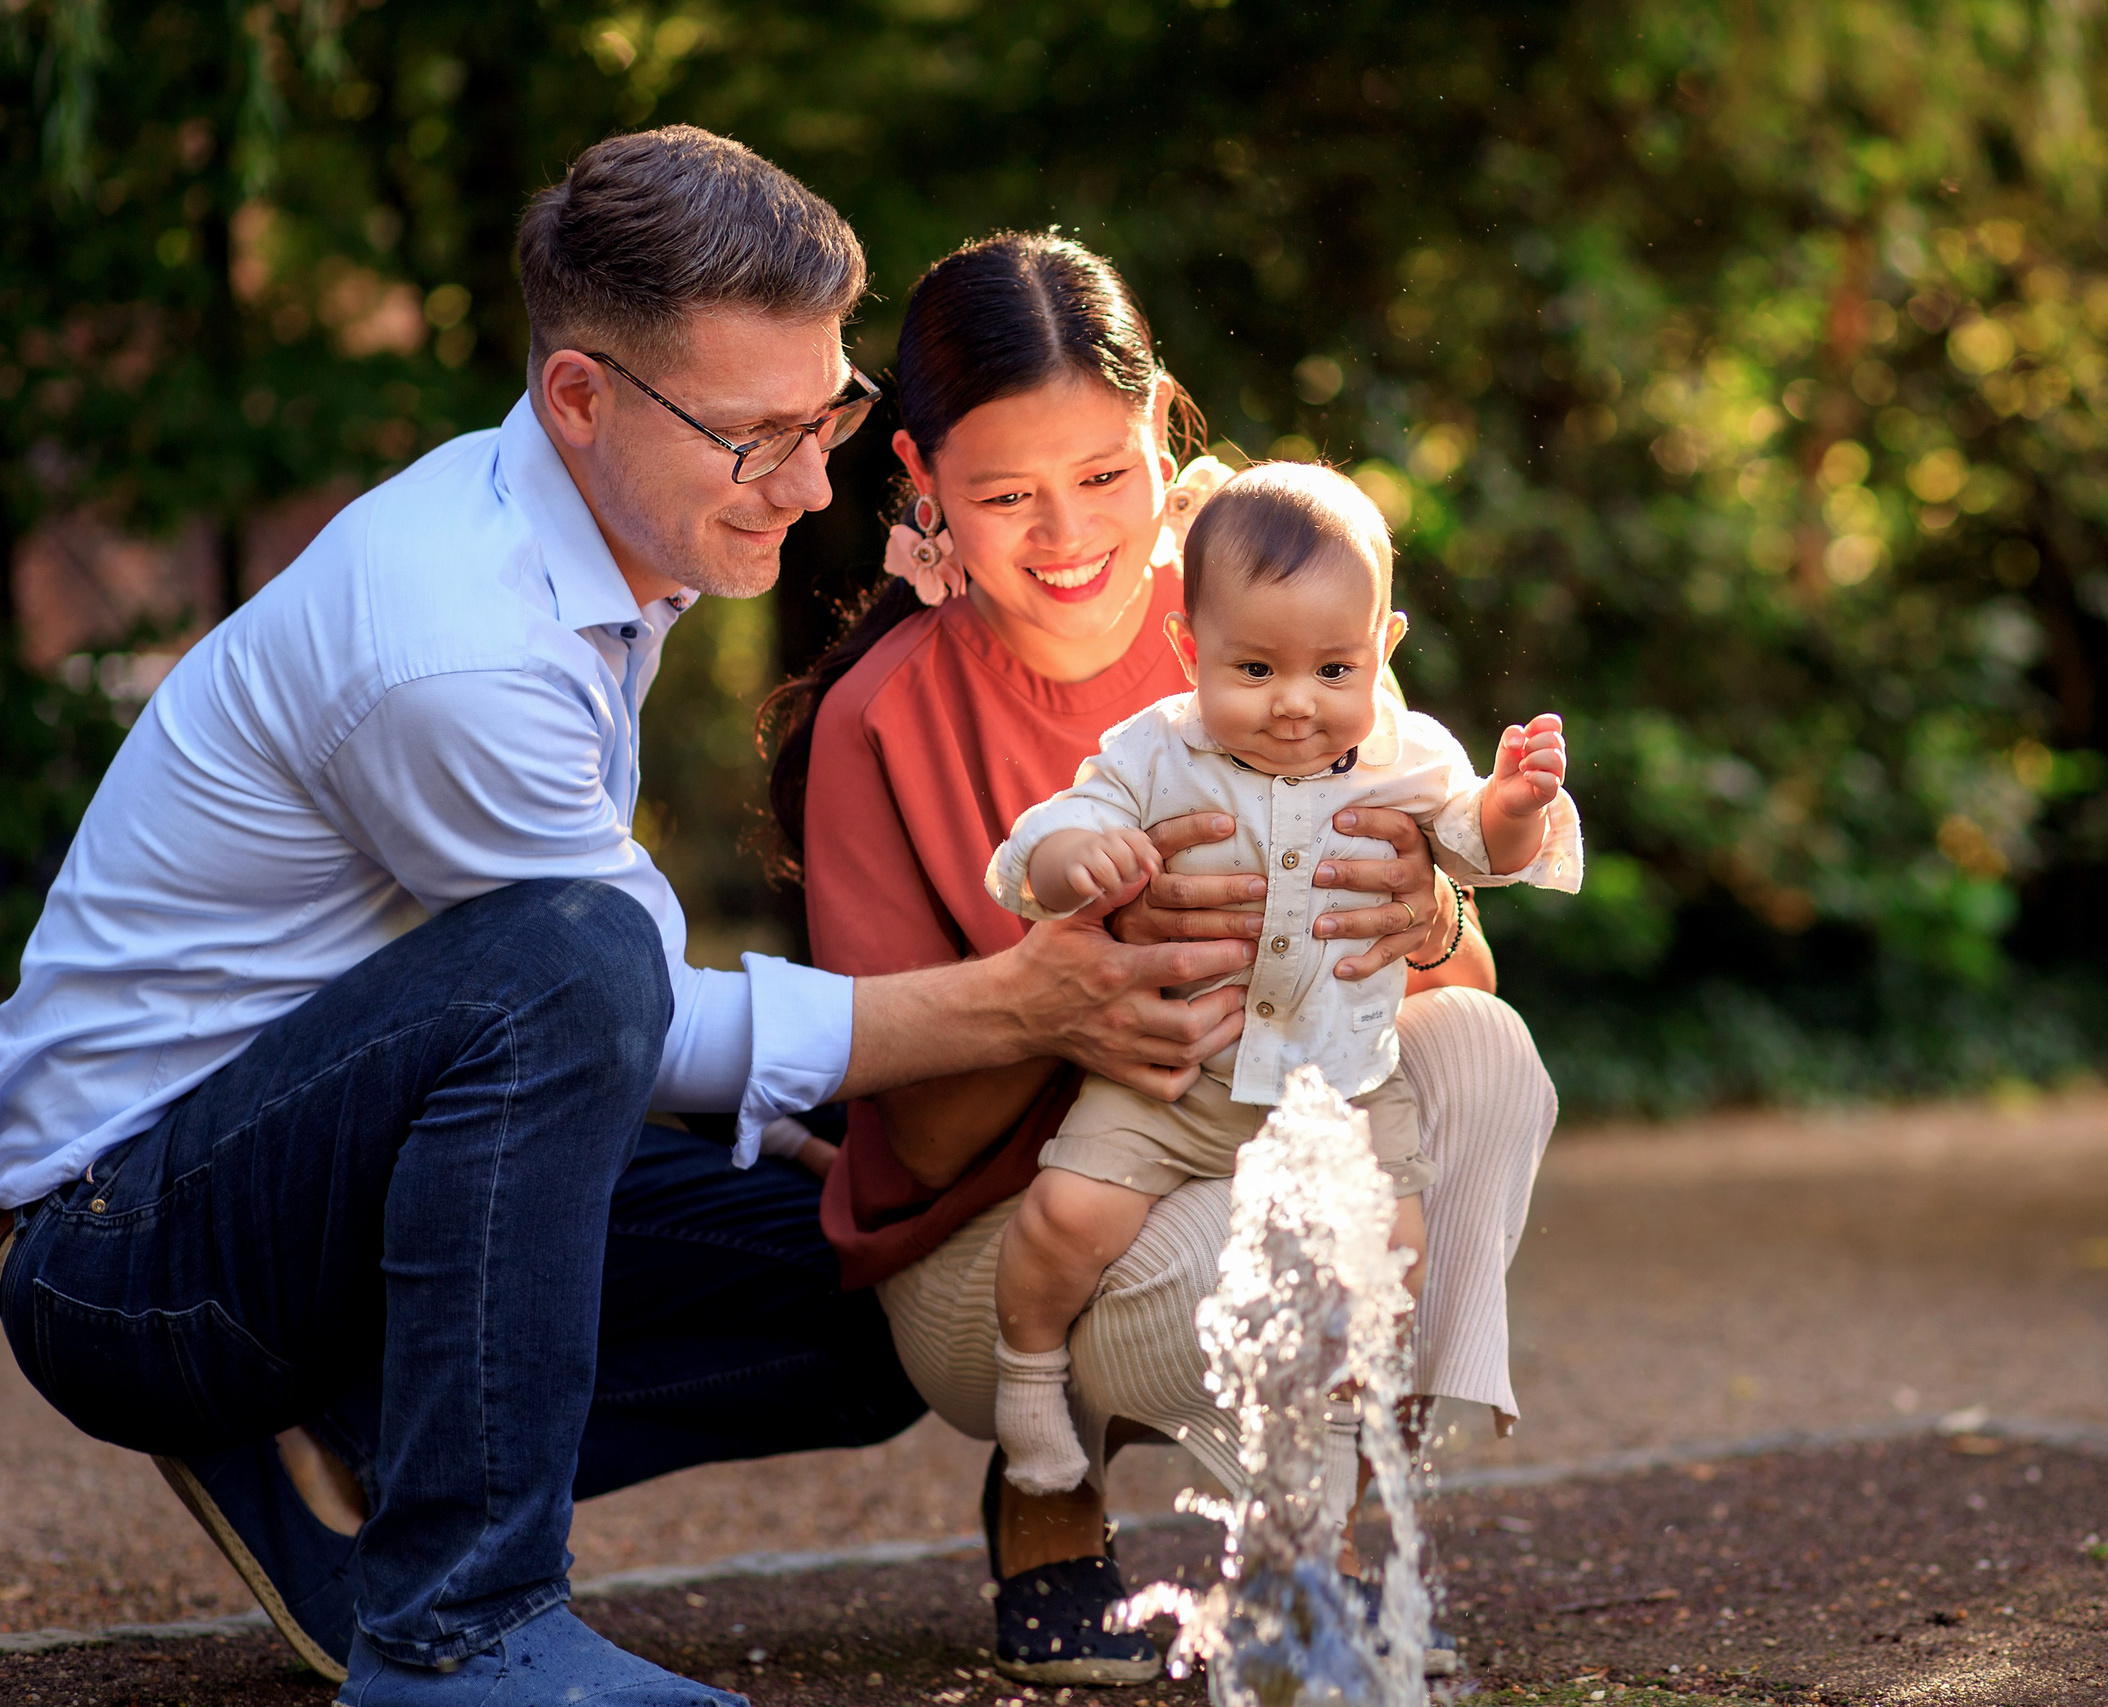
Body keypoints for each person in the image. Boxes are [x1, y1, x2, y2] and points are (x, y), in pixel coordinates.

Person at [0, 130, 1253, 1707]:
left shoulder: (610, 551)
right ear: (583, 397)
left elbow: (581, 1021)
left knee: (871, 1271)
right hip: (134, 1242)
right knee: (577, 955)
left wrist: (816, 1106)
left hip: (329, 1149)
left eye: (830, 417)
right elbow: (613, 996)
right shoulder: (456, 638)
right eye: (756, 438)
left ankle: (385, 1434)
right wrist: (1030, 1002)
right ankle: (458, 1626)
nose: (809, 482)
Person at [767, 231, 1563, 1686]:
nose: (1066, 532)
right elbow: (926, 1134)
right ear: (920, 477)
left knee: (1485, 1071)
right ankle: (1047, 1484)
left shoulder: (1267, 615)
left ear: (1164, 424)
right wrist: (1071, 992)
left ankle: (1301, 1550)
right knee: (1300, 1262)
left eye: (1104, 475)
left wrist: (1427, 914)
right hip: (1005, 1226)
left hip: (1265, 1123)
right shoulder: (881, 718)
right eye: (1004, 495)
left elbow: (1462, 992)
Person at [981, 462, 1580, 1500]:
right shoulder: (1155, 751)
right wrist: (1073, 858)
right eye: (1253, 671)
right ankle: (1027, 1369)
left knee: (1390, 1250)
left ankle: (1351, 1431)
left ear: (1381, 650)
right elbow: (1056, 826)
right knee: (1066, 1217)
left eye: (1333, 671)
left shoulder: (1409, 757)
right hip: (1175, 1085)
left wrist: (1513, 803)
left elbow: (1477, 850)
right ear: (1189, 649)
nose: (1295, 705)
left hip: (1337, 1086)